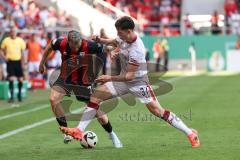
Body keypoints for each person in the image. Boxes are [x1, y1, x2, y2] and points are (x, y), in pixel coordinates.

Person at [60, 16, 200, 148]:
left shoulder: (137, 50)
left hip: (138, 82)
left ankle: (190, 133)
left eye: (119, 32)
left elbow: (130, 77)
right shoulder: (124, 37)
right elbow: (114, 41)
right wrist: (100, 40)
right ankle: (79, 130)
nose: (118, 34)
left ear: (129, 31)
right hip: (123, 79)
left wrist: (109, 77)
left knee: (158, 111)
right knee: (96, 96)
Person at [39, 30, 122, 147]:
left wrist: (114, 51)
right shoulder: (61, 43)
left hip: (83, 82)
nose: (77, 46)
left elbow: (107, 48)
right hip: (65, 79)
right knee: (53, 99)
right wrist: (42, 63)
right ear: (68, 42)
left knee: (96, 110)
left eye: (78, 43)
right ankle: (67, 132)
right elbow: (50, 47)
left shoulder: (89, 45)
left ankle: (111, 133)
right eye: (74, 44)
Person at [0, 26, 26, 103]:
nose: (13, 32)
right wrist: (4, 57)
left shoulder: (20, 40)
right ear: (10, 32)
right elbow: (1, 50)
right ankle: (11, 97)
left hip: (18, 61)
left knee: (20, 79)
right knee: (11, 79)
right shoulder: (6, 40)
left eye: (14, 31)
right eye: (12, 31)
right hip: (10, 62)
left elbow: (23, 53)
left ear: (16, 32)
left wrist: (23, 63)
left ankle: (19, 95)